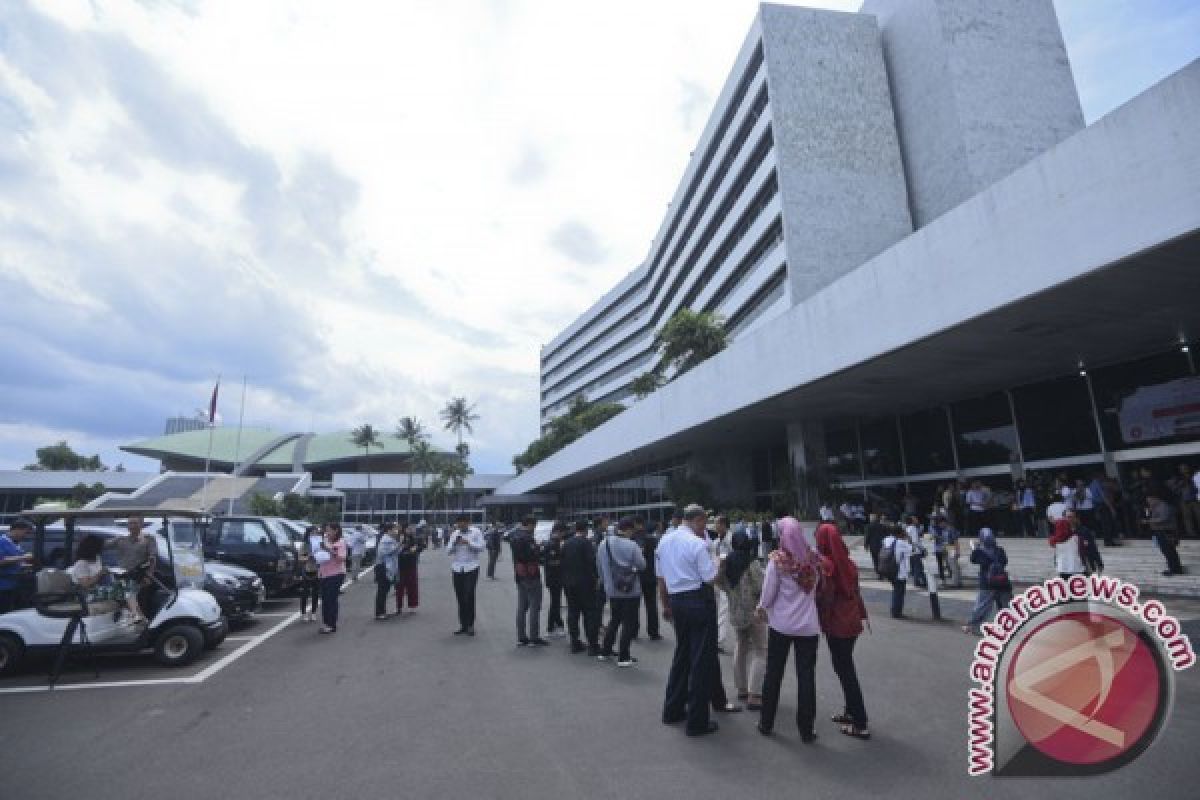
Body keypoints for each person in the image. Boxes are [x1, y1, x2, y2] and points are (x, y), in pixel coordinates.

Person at [756, 517, 821, 742]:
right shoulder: (813, 559)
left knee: (773, 674)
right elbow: (817, 587)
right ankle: (806, 729)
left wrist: (762, 608)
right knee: (806, 677)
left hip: (781, 626)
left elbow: (768, 592)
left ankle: (766, 722)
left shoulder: (777, 561)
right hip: (808, 627)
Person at [658, 504, 721, 737]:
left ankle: (672, 709)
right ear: (697, 520)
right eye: (704, 523)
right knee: (701, 661)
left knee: (682, 656)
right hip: (697, 599)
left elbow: (661, 575)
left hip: (676, 599)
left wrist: (665, 604)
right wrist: (718, 563)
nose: (705, 527)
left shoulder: (665, 541)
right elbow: (710, 577)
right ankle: (697, 721)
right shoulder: (697, 544)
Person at [814, 522, 870, 740]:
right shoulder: (848, 563)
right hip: (852, 621)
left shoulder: (828, 565)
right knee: (844, 667)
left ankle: (860, 722)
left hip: (837, 623)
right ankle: (850, 712)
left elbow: (825, 597)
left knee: (845, 671)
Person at [716, 529, 766, 710]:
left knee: (741, 646)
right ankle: (755, 694)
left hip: (735, 612)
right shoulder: (751, 563)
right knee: (761, 650)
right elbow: (761, 587)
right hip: (753, 611)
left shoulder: (726, 563)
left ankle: (742, 688)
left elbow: (720, 583)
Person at [595, 516, 647, 666]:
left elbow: (598, 566)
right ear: (629, 529)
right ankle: (624, 656)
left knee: (614, 620)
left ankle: (605, 651)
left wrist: (605, 581)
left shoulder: (603, 544)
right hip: (630, 590)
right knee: (628, 623)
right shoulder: (632, 545)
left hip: (611, 589)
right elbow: (642, 565)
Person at [962, 528, 1012, 636]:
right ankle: (1009, 628)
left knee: (982, 606)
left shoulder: (979, 551)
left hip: (987, 582)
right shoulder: (1000, 550)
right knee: (1006, 606)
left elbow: (973, 559)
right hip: (1003, 582)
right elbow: (1005, 562)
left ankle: (973, 626)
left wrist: (975, 548)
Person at [561, 520, 601, 655]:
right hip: (585, 583)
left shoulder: (566, 543)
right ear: (585, 530)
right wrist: (596, 578)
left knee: (573, 612)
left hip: (569, 583)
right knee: (590, 613)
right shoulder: (586, 543)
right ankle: (592, 644)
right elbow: (591, 563)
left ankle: (574, 642)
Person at [110, 515, 157, 623]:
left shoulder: (148, 539)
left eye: (135, 523)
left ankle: (138, 617)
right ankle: (143, 621)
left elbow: (152, 559)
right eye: (130, 523)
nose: (132, 526)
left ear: (141, 524)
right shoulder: (121, 540)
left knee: (129, 593)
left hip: (139, 576)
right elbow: (102, 545)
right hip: (121, 576)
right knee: (128, 595)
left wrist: (149, 575)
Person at [509, 516, 547, 647]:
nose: (534, 529)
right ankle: (534, 637)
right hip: (531, 575)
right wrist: (539, 548)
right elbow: (533, 556)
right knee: (534, 607)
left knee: (521, 607)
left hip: (519, 574)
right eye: (534, 526)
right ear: (530, 525)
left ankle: (521, 637)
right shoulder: (527, 538)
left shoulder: (514, 536)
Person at [447, 514, 485, 635]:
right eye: (459, 523)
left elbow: (482, 547)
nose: (460, 525)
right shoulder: (454, 534)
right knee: (460, 597)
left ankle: (470, 625)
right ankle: (463, 625)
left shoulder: (476, 532)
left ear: (468, 522)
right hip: (457, 568)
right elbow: (448, 551)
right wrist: (454, 544)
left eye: (463, 523)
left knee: (469, 595)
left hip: (471, 567)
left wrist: (468, 543)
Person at [631, 517, 661, 641]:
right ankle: (653, 632)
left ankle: (633, 631)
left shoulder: (631, 539)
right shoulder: (652, 540)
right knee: (651, 605)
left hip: (635, 576)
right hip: (650, 575)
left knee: (634, 606)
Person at [1145, 491, 1185, 576]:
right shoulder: (1154, 507)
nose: (1149, 502)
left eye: (1150, 500)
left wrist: (1150, 521)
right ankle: (1173, 567)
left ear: (1155, 498)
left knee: (1169, 550)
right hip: (1159, 531)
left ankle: (1175, 569)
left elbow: (1164, 518)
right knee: (1166, 551)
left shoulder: (1164, 506)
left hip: (1166, 531)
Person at [317, 523, 347, 634]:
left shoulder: (341, 542)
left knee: (331, 599)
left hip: (336, 574)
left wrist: (329, 550)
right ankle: (326, 623)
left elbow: (342, 558)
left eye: (329, 530)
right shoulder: (325, 541)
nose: (327, 533)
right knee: (325, 600)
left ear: (336, 531)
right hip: (324, 574)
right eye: (326, 530)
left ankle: (331, 624)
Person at [68, 534, 114, 605]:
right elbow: (85, 584)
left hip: (98, 588)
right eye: (100, 547)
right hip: (85, 594)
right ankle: (134, 612)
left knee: (128, 587)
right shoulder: (81, 564)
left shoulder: (97, 558)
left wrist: (105, 571)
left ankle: (134, 612)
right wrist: (100, 574)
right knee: (125, 590)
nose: (102, 549)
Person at [0, 517, 34, 614]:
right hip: (2, 587)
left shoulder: (16, 544)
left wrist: (25, 567)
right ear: (17, 529)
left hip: (13, 586)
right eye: (25, 532)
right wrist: (23, 558)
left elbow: (14, 563)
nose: (26, 536)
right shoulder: (2, 542)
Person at [881, 524, 913, 618]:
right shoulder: (900, 542)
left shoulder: (886, 539)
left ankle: (894, 610)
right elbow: (912, 549)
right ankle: (896, 612)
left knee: (896, 590)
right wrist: (908, 537)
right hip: (898, 571)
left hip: (888, 569)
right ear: (900, 533)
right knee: (899, 592)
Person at [542, 522, 566, 638]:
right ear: (558, 532)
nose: (563, 535)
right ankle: (551, 628)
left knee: (556, 603)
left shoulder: (552, 542)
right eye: (563, 532)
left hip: (553, 577)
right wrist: (564, 561)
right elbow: (552, 562)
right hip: (554, 578)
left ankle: (558, 625)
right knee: (555, 603)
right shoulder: (553, 544)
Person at [395, 521, 423, 614]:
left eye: (411, 528)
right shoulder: (397, 537)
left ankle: (412, 606)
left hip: (411, 564)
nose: (411, 530)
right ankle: (399, 607)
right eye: (409, 528)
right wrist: (406, 550)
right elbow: (396, 550)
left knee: (412, 586)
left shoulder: (413, 538)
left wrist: (415, 549)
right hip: (400, 565)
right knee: (399, 587)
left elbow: (421, 546)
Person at [1048, 513, 1085, 580]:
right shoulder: (1075, 537)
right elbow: (1082, 551)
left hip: (1062, 568)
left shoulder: (1054, 540)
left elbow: (1056, 554)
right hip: (1076, 568)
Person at [374, 524, 399, 620]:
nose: (396, 531)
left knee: (385, 590)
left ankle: (382, 611)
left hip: (388, 567)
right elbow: (385, 552)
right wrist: (398, 546)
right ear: (389, 530)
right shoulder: (386, 540)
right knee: (382, 590)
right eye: (394, 529)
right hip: (383, 567)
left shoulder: (390, 539)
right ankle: (379, 612)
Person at [297, 525, 322, 622]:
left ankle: (314, 612)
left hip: (317, 570)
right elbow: (300, 558)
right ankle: (303, 613)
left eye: (316, 532)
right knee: (305, 593)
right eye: (312, 532)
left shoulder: (320, 543)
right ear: (308, 533)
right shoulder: (305, 545)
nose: (315, 534)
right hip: (306, 571)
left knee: (316, 592)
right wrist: (308, 557)